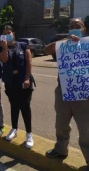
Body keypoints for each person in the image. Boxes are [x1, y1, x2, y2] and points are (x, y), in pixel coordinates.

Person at [44, 18, 89, 168]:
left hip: (83, 94)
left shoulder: (87, 44)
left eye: (78, 26)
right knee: (61, 124)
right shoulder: (63, 44)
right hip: (63, 91)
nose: (75, 28)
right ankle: (61, 150)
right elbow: (46, 50)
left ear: (84, 30)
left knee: (85, 128)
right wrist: (64, 41)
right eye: (72, 26)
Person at [0, 26, 35, 148]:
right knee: (14, 106)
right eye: (4, 33)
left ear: (13, 33)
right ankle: (14, 128)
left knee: (25, 107)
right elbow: (3, 60)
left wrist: (27, 78)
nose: (7, 35)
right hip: (10, 82)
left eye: (9, 33)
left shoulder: (23, 45)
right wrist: (4, 48)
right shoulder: (2, 47)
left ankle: (29, 134)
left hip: (23, 81)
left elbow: (29, 62)